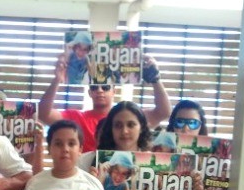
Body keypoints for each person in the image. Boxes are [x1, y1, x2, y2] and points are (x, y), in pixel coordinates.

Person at [38, 55, 171, 152]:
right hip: (87, 178)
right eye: (95, 87)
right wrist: (57, 80)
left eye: (105, 87)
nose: (100, 91)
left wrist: (155, 79)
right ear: (89, 92)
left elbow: (163, 112)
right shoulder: (77, 118)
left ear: (114, 90)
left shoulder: (129, 118)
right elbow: (44, 114)